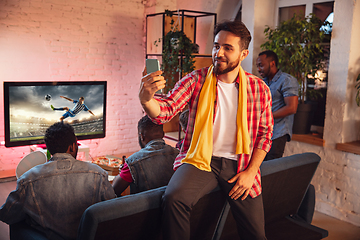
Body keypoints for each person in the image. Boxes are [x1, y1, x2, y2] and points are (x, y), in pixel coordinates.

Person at [139, 20, 273, 240]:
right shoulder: (196, 80)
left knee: (256, 234)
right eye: (216, 45)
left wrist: (250, 173)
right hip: (200, 160)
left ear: (243, 54)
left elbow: (265, 135)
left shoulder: (259, 89)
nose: (218, 53)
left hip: (241, 164)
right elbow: (166, 110)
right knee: (174, 198)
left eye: (228, 48)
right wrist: (146, 99)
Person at [0, 122, 115, 240]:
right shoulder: (98, 173)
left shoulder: (27, 179)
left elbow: (6, 215)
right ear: (73, 146)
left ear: (49, 148)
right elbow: (113, 210)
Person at [112, 115, 179, 196]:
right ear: (163, 134)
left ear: (141, 136)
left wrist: (120, 173)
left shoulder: (132, 162)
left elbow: (114, 191)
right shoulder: (179, 155)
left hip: (145, 208)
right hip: (171, 208)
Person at [256, 50, 299, 160]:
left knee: (270, 170)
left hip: (278, 134)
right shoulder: (263, 82)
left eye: (261, 65)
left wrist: (265, 117)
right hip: (263, 133)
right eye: (257, 66)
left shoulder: (287, 80)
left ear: (272, 63)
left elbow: (291, 108)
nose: (259, 69)